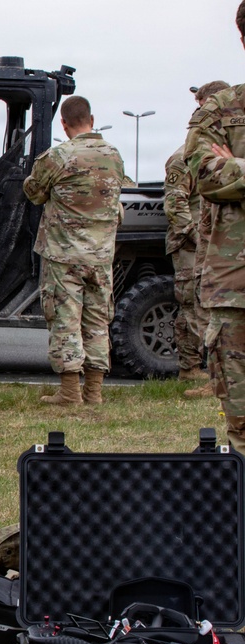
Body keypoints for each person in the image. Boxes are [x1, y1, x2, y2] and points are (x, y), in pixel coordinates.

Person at [23, 96, 125, 405]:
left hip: (64, 255)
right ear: (91, 121)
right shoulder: (114, 155)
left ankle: (70, 392)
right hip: (101, 256)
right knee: (97, 321)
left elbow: (34, 193)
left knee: (65, 320)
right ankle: (93, 392)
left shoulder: (58, 155)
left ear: (64, 125)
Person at [185, 0, 245, 450]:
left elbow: (222, 174)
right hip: (235, 289)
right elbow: (205, 175)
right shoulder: (219, 110)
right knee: (242, 426)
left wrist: (237, 168)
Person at [165, 81, 230, 397]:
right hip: (194, 245)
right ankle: (202, 374)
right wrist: (195, 237)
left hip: (214, 244)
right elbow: (175, 203)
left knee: (201, 306)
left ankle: (196, 371)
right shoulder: (185, 157)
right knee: (195, 306)